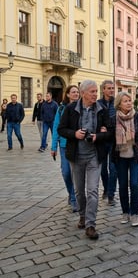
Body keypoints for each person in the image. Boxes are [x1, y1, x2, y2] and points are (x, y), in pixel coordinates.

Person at [58, 80, 113, 240]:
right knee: (79, 192)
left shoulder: (102, 109)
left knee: (93, 191)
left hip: (94, 156)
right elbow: (61, 129)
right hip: (76, 156)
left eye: (96, 91)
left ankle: (90, 225)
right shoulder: (70, 109)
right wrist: (75, 134)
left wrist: (99, 136)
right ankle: (82, 215)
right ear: (83, 94)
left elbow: (110, 131)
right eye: (92, 91)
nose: (96, 94)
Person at [111, 92, 138, 227]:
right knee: (122, 186)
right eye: (125, 101)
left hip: (135, 157)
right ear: (119, 104)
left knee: (134, 184)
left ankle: (134, 214)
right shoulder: (113, 119)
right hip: (120, 157)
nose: (128, 103)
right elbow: (109, 137)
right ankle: (125, 212)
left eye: (129, 100)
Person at [51, 85, 80, 213]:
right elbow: (57, 127)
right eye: (73, 92)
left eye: (77, 92)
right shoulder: (61, 108)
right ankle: (71, 194)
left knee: (77, 174)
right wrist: (53, 147)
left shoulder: (82, 107)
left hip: (78, 144)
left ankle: (75, 198)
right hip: (64, 145)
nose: (76, 94)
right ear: (67, 94)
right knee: (66, 172)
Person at [97, 80, 117, 206]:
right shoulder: (98, 104)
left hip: (115, 140)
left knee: (113, 169)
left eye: (112, 88)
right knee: (103, 169)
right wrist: (100, 127)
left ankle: (111, 195)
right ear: (103, 90)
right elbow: (96, 120)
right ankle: (106, 188)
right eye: (108, 88)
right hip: (102, 141)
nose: (111, 90)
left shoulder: (117, 102)